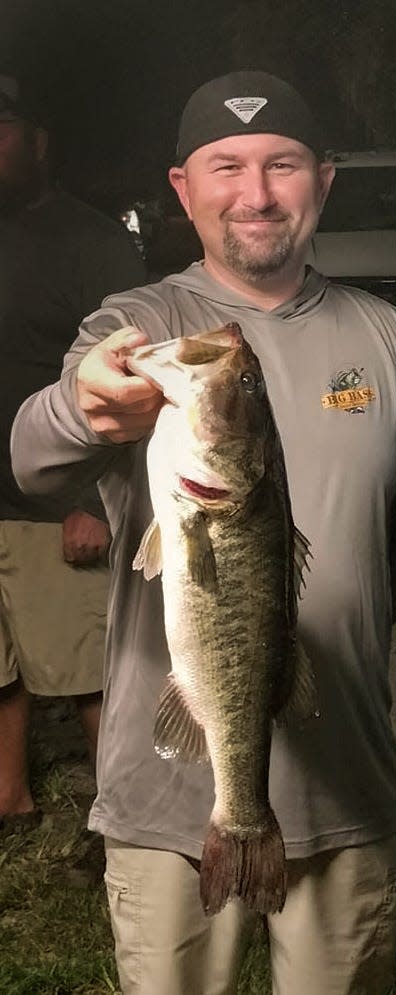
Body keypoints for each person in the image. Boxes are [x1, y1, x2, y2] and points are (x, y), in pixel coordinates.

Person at [11, 70, 396, 995]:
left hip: (346, 782)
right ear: (184, 187)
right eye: (227, 165)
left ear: (322, 180)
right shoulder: (141, 324)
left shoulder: (388, 337)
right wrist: (87, 407)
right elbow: (32, 456)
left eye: (281, 164)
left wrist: (334, 613)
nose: (255, 194)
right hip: (170, 794)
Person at [0, 72, 145, 833]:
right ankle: (10, 799)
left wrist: (90, 502)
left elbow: (127, 373)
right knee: (3, 668)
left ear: (38, 142)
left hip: (54, 503)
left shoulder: (89, 240)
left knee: (91, 668)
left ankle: (115, 811)